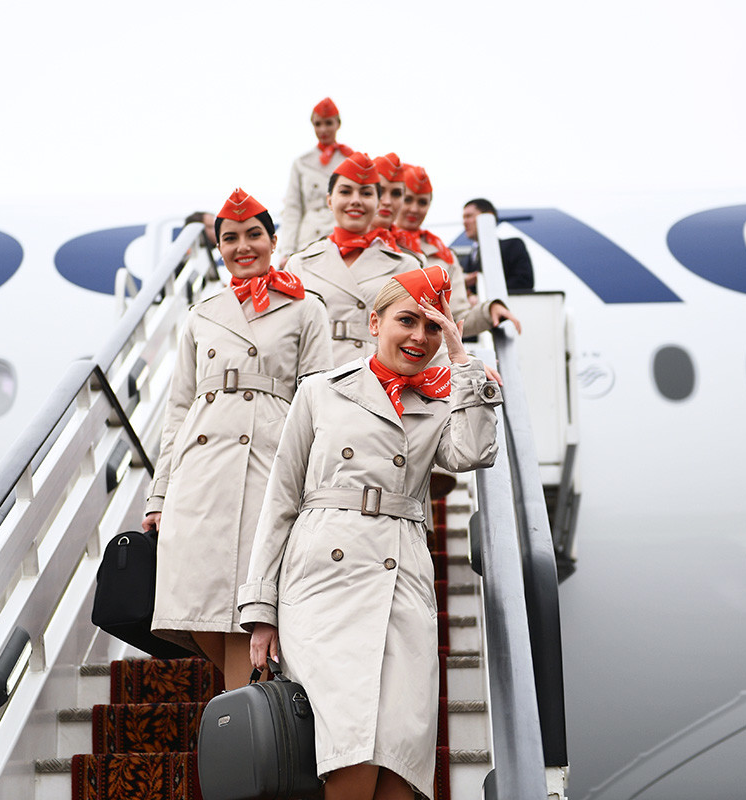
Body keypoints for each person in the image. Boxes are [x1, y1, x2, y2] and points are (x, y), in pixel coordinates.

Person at [238, 266, 502, 800]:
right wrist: (260, 611)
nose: (418, 338)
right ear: (374, 321)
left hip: (401, 576)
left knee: (402, 757)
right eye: (407, 321)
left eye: (432, 326)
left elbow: (473, 454)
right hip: (323, 582)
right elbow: (280, 501)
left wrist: (460, 356)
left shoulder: (441, 399)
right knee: (349, 752)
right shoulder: (320, 391)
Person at [144, 189, 333, 689]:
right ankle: (243, 723)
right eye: (230, 238)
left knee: (250, 609)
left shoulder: (306, 309)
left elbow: (320, 403)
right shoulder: (201, 313)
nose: (242, 246)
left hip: (270, 461)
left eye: (254, 235)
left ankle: (246, 729)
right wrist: (159, 493)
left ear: (274, 240)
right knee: (204, 610)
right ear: (219, 246)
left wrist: (315, 483)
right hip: (200, 475)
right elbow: (178, 409)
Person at [288, 151, 422, 364]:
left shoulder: (406, 265)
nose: (356, 201)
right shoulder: (299, 264)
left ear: (378, 204)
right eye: (345, 192)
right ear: (330, 201)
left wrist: (464, 361)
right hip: (316, 381)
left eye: (366, 194)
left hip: (378, 381)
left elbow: (425, 335)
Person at [395, 166, 522, 337]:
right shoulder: (375, 243)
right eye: (408, 199)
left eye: (422, 202)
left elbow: (457, 318)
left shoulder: (443, 256)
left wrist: (488, 310)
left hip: (425, 353)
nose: (414, 209)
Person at [278, 97, 355, 261]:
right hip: (308, 238)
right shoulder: (301, 163)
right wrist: (287, 251)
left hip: (341, 235)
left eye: (328, 123)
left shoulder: (352, 160)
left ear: (338, 124)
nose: (323, 129)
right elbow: (293, 209)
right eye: (318, 124)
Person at [461, 197, 534, 293]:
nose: (464, 222)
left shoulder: (513, 247)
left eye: (469, 216)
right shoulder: (465, 260)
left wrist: (485, 296)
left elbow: (523, 282)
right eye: (464, 218)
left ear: (488, 216)